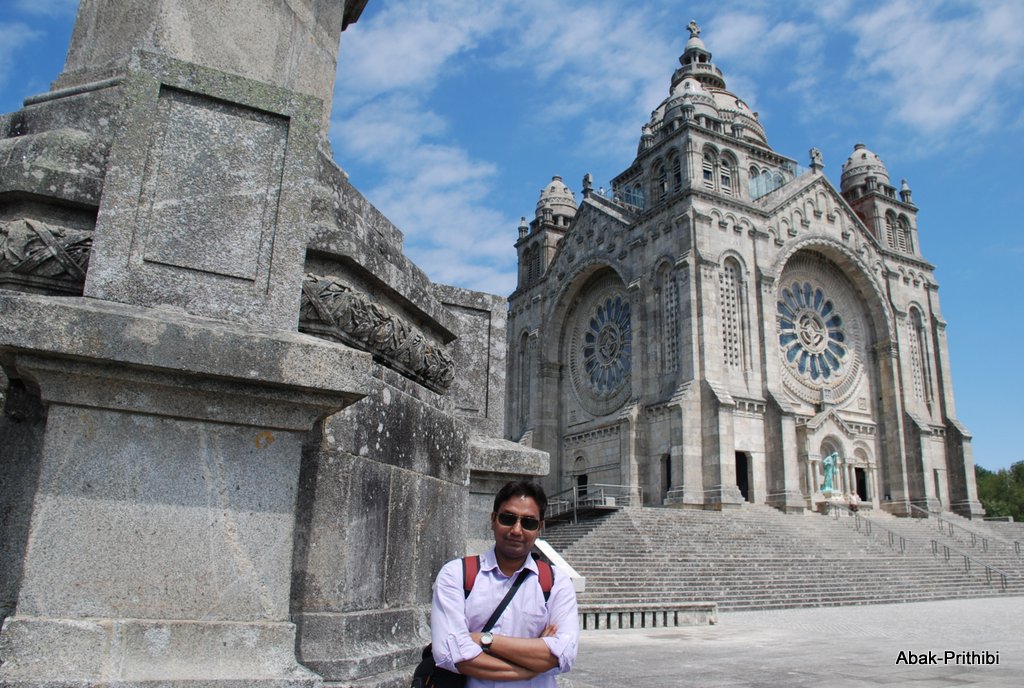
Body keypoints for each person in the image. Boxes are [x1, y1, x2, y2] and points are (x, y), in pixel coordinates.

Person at [430, 480, 579, 686]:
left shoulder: (556, 583)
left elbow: (564, 654)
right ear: (493, 520)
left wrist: (483, 639)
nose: (516, 530)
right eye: (508, 519)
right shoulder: (456, 575)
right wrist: (531, 664)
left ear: (540, 528)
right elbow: (449, 652)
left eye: (528, 523)